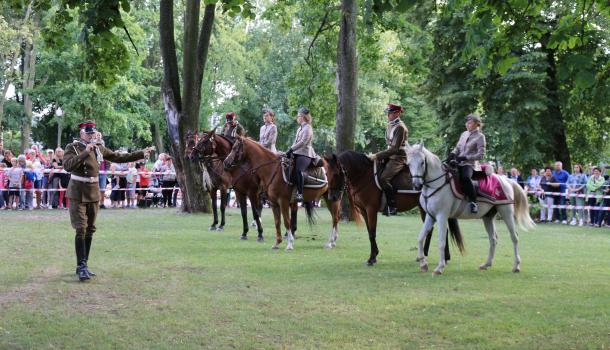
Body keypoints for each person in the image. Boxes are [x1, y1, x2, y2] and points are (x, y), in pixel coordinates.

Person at [63, 120, 151, 282]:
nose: (91, 135)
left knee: (90, 229)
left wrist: (141, 153)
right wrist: (85, 152)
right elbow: (67, 166)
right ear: (82, 134)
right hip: (77, 192)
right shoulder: (72, 147)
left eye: (93, 133)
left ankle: (84, 265)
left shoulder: (99, 148)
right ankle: (81, 266)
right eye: (88, 133)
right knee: (80, 228)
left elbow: (118, 157)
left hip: (94, 192)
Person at [367, 104, 409, 216]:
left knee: (384, 178)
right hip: (389, 155)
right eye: (388, 113)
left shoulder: (401, 127)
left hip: (398, 157)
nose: (388, 115)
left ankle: (392, 205)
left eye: (390, 113)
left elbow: (395, 149)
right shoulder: (390, 125)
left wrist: (377, 155)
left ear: (397, 113)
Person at [448, 113, 486, 214]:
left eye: (470, 122)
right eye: (467, 122)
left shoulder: (480, 136)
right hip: (458, 162)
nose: (467, 124)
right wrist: (453, 153)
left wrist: (466, 157)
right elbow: (458, 147)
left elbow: (481, 155)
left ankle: (473, 202)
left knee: (465, 177)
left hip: (470, 164)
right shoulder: (464, 134)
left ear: (476, 124)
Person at [285, 107, 317, 203]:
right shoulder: (300, 128)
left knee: (299, 170)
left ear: (302, 117)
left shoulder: (308, 127)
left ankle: (300, 193)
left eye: (298, 116)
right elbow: (296, 142)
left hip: (306, 154)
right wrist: (289, 150)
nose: (297, 118)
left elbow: (303, 142)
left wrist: (291, 149)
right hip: (297, 152)